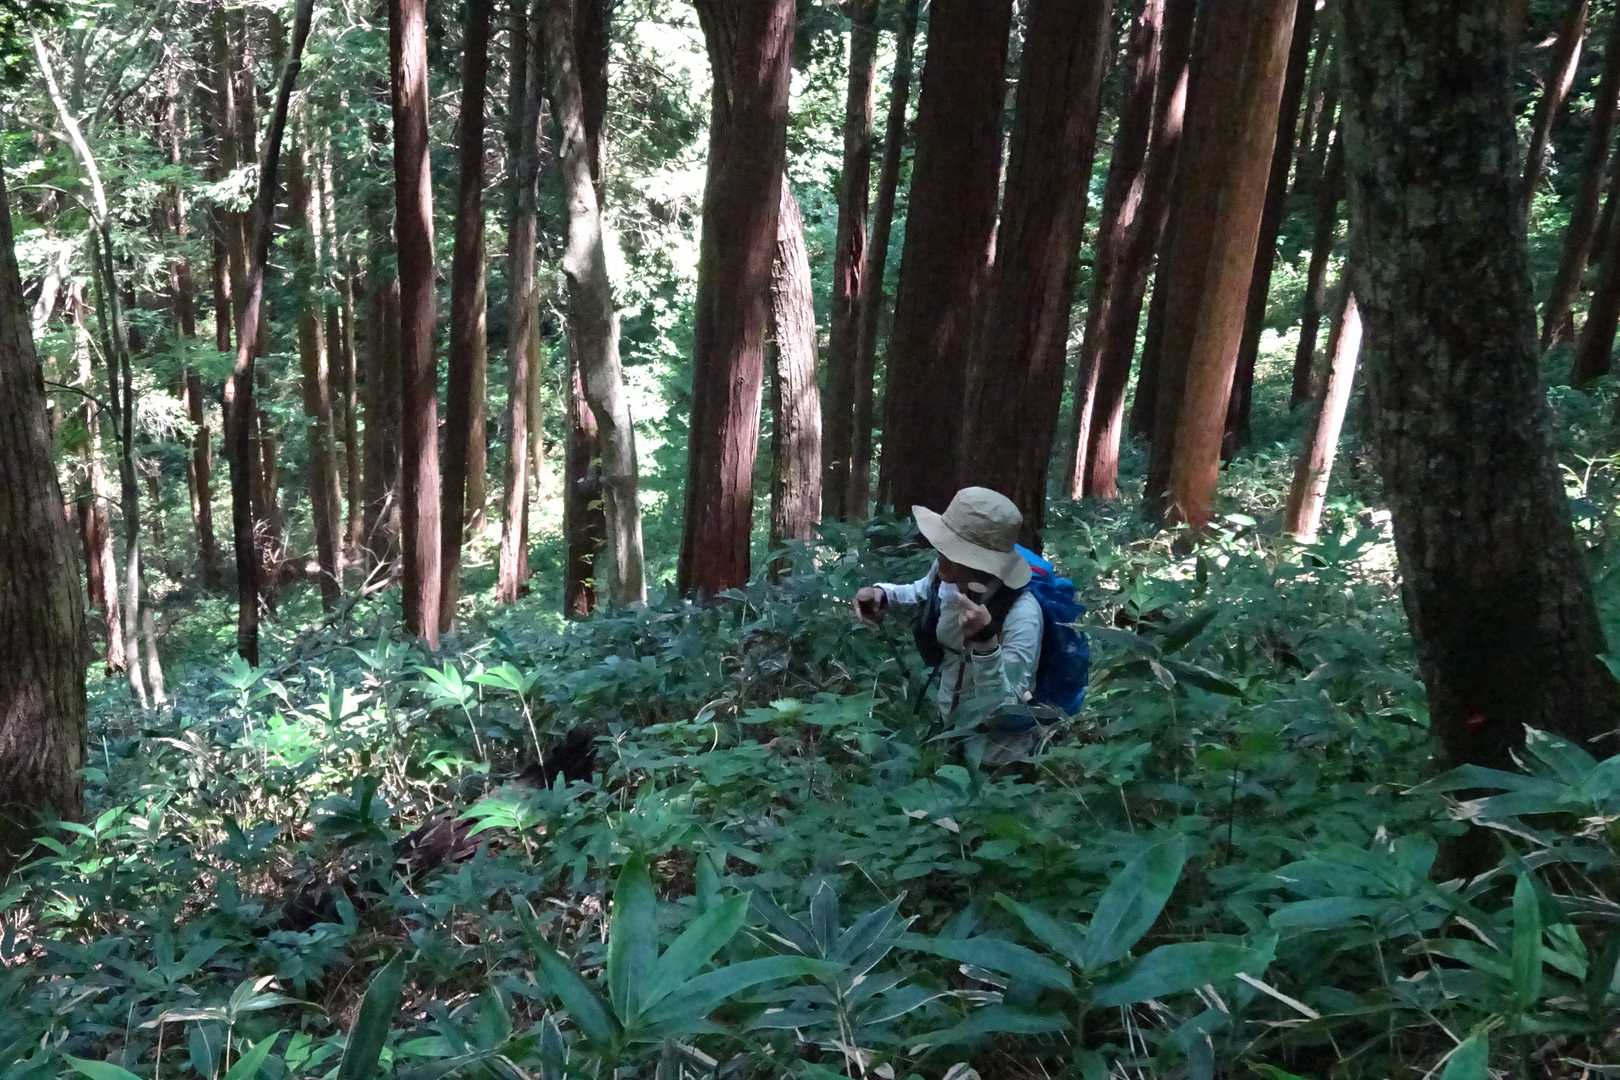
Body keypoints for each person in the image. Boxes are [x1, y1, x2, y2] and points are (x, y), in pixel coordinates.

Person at [853, 487, 1044, 762]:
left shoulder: (1022, 614)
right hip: (949, 736)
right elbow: (922, 591)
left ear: (982, 562)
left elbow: (1004, 705)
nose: (939, 552)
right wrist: (883, 593)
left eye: (952, 549)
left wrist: (986, 644)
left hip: (999, 758)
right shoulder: (948, 573)